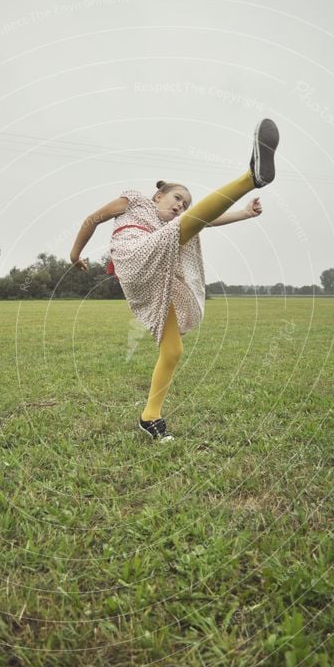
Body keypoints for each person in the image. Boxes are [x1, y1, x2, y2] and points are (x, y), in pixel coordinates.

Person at [70, 118, 279, 441]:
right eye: (177, 198)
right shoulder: (135, 200)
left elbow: (205, 219)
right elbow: (93, 219)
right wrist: (75, 254)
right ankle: (250, 177)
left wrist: (244, 214)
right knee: (182, 229)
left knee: (173, 351)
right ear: (158, 196)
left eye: (185, 204)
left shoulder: (175, 226)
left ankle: (149, 416)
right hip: (133, 254)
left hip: (158, 279)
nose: (181, 205)